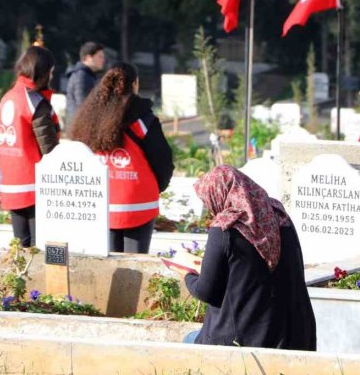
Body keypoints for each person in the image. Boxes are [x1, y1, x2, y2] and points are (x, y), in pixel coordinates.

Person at [170, 165, 317, 350]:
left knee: (188, 341)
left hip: (242, 341)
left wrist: (186, 273)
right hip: (295, 337)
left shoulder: (226, 228)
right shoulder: (280, 217)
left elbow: (207, 291)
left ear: (218, 195)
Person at [68, 62, 173, 253]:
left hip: (102, 201)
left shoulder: (90, 120)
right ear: (135, 84)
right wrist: (156, 186)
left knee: (109, 266)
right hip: (139, 202)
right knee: (136, 265)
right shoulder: (143, 119)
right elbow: (162, 159)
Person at [0, 46, 60, 247]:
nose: (52, 75)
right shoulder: (34, 102)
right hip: (35, 185)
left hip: (10, 182)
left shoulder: (8, 98)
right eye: (51, 71)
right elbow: (49, 149)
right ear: (43, 71)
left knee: (21, 246)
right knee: (40, 248)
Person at [65, 41, 105, 125]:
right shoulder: (82, 76)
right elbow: (83, 105)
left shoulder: (87, 75)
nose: (103, 60)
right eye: (100, 56)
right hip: (81, 127)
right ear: (88, 57)